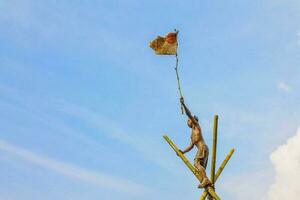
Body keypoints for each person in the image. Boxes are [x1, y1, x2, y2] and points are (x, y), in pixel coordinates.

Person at [178, 97, 211, 188]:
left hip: (202, 148)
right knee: (200, 171)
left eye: (188, 120)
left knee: (196, 163)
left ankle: (206, 180)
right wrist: (182, 152)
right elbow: (191, 146)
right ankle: (208, 189)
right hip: (203, 149)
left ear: (192, 120)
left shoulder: (196, 126)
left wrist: (183, 104)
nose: (187, 122)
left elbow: (189, 114)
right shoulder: (192, 135)